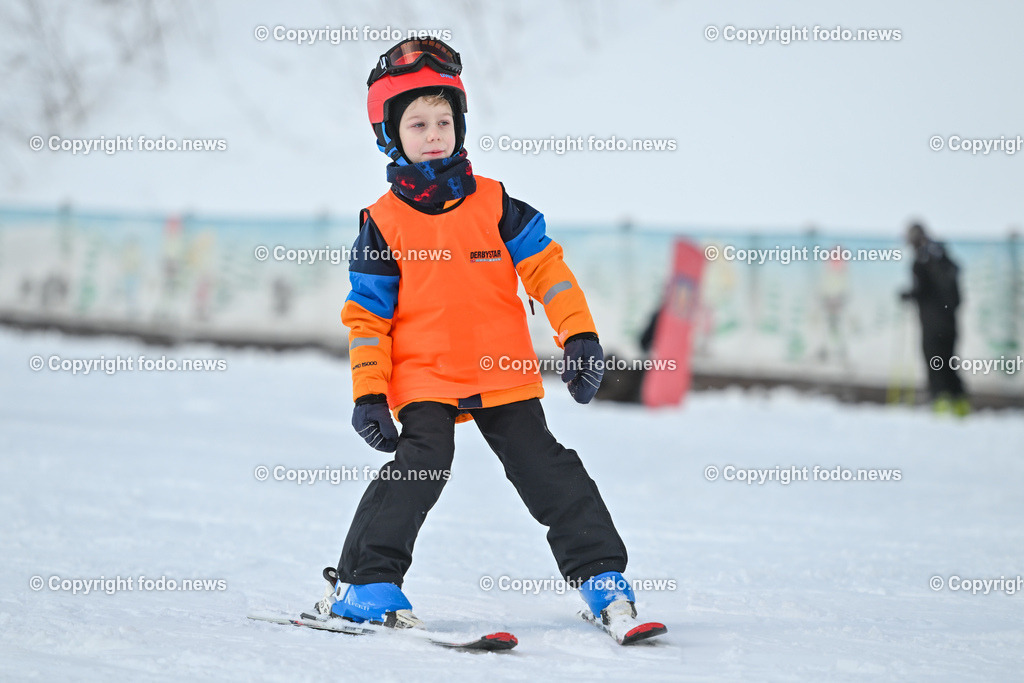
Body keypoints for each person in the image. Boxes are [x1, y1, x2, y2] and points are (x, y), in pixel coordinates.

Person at [315, 38, 659, 639]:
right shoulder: (383, 223)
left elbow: (547, 269)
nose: (433, 134)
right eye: (417, 123)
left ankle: (603, 579)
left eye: (444, 120)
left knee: (546, 467)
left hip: (502, 371)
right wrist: (368, 394)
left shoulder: (496, 204)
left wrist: (577, 335)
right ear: (390, 135)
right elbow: (367, 317)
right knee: (422, 466)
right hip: (424, 375)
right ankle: (366, 586)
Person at [900, 222, 969, 415]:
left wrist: (908, 295)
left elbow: (922, 290)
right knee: (948, 361)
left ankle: (940, 402)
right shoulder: (942, 255)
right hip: (950, 322)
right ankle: (960, 402)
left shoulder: (921, 261)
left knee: (934, 361)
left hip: (932, 324)